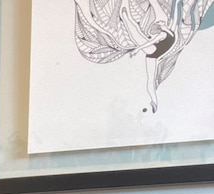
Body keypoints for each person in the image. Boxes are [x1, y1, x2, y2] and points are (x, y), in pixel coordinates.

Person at [73, 0, 213, 113]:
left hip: (154, 53)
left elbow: (152, 39)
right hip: (155, 54)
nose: (158, 23)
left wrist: (137, 49)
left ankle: (153, 100)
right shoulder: (169, 32)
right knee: (150, 79)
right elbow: (175, 13)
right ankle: (154, 100)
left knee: (149, 77)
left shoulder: (165, 33)